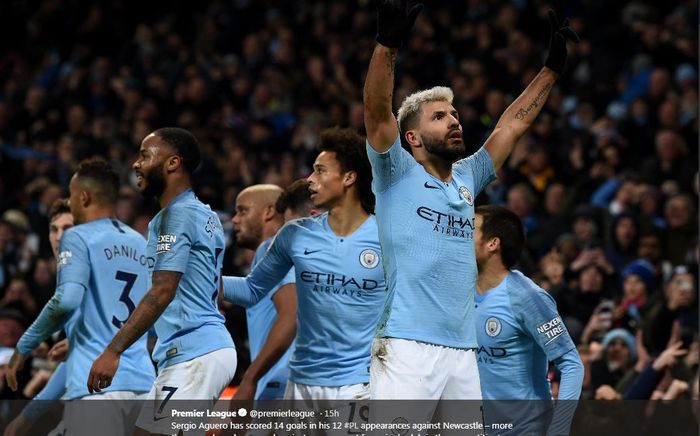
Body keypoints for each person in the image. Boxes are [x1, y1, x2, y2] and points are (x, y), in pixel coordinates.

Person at [363, 1, 579, 399]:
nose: (455, 121)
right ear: (411, 137)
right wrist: (387, 46)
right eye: (439, 117)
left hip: (464, 353)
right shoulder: (395, 172)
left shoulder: (467, 176)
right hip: (406, 346)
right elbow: (377, 113)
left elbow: (513, 124)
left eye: (455, 114)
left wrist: (550, 72)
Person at [87, 127, 235, 433]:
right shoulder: (203, 213)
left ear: (172, 163)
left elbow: (163, 291)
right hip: (191, 351)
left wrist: (113, 351)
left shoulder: (177, 216)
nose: (135, 164)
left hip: (196, 353)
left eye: (144, 155)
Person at [223, 127, 384, 400]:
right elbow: (253, 290)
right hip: (301, 385)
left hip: (360, 383)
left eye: (320, 171)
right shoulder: (294, 233)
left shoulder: (386, 238)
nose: (310, 179)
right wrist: (191, 278)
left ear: (349, 178)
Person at [4, 159, 155, 435]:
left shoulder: (78, 237)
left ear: (83, 196)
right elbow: (150, 319)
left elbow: (66, 300)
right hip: (143, 385)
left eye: (72, 195)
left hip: (96, 388)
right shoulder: (140, 242)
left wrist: (23, 348)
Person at [473, 205, 583, 435]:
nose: (460, 235)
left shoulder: (527, 297)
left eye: (470, 229)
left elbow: (571, 363)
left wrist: (559, 428)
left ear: (493, 243)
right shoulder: (462, 290)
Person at [3, 199, 74, 436]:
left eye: (68, 228)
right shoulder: (66, 277)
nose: (58, 236)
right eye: (54, 229)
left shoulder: (80, 281)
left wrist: (22, 348)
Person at [230, 184, 296, 401]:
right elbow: (247, 289)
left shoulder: (270, 247)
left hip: (279, 384)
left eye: (242, 211)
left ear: (268, 212)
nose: (235, 220)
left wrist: (250, 378)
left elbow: (291, 314)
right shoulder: (296, 249)